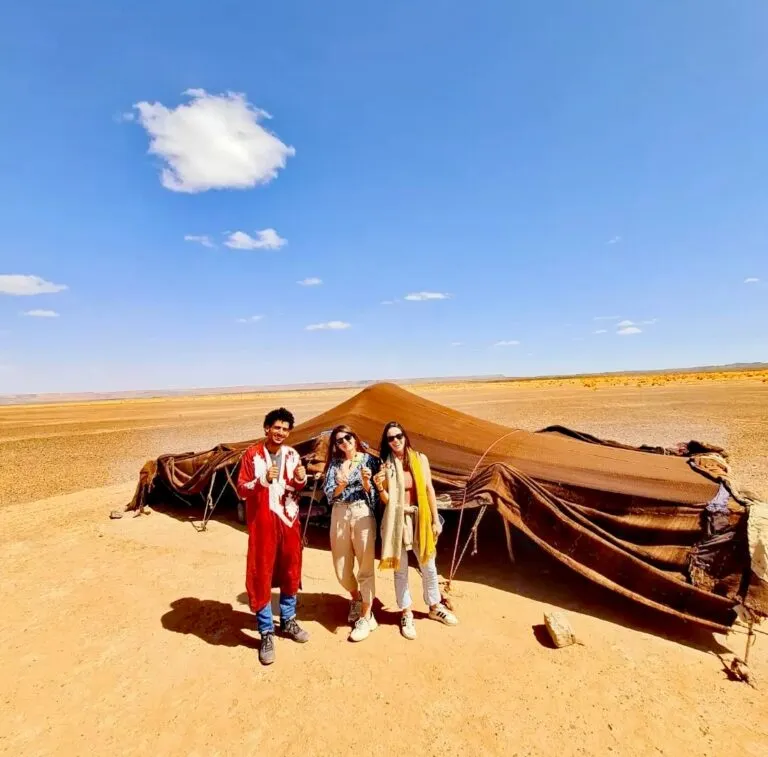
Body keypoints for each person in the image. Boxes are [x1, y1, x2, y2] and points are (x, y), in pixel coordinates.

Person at [236, 407, 310, 666]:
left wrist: (301, 479)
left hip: (289, 522)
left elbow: (296, 487)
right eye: (276, 427)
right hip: (263, 524)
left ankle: (288, 620)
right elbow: (242, 489)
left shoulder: (292, 455)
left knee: (291, 570)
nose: (280, 432)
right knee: (261, 573)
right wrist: (262, 480)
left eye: (285, 429)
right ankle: (266, 631)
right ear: (267, 428)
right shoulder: (252, 455)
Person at [373, 421, 458, 640]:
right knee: (400, 569)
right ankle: (406, 612)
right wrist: (380, 487)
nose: (395, 441)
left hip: (421, 517)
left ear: (405, 436)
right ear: (387, 442)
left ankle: (434, 606)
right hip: (397, 520)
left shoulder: (420, 459)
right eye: (390, 438)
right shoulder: (386, 465)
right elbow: (387, 500)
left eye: (398, 436)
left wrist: (435, 520)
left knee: (428, 565)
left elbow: (429, 489)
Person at [323, 425, 380, 642]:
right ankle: (356, 597)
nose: (345, 442)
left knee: (365, 564)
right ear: (336, 445)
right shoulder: (335, 464)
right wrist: (341, 485)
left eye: (348, 437)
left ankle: (366, 614)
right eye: (339, 440)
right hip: (339, 512)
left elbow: (377, 494)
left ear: (355, 438)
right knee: (341, 567)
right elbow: (329, 494)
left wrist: (367, 483)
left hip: (361, 511)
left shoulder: (370, 461)